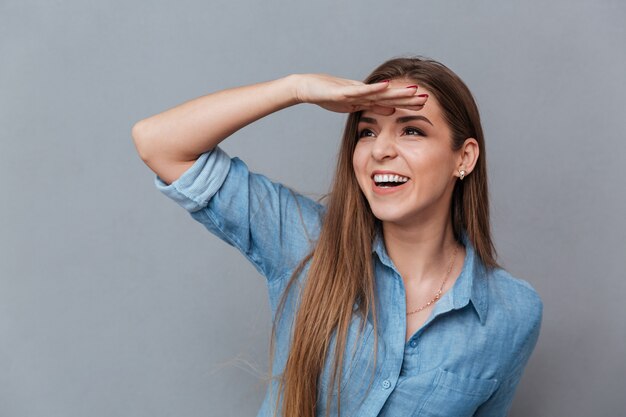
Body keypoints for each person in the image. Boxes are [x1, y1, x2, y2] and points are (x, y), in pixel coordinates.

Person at [131, 56, 543, 417]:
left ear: (464, 158)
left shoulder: (512, 314)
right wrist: (296, 88)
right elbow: (159, 143)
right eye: (367, 131)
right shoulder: (303, 240)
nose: (381, 149)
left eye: (411, 130)